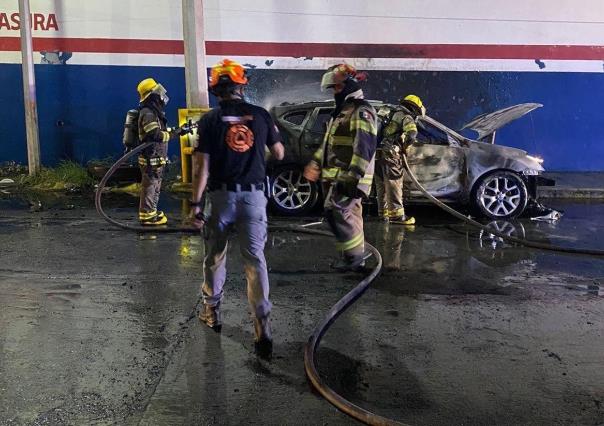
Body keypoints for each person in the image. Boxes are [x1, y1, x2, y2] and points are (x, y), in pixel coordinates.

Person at [189, 59, 285, 355]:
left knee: (214, 257)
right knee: (254, 261)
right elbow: (279, 153)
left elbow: (201, 167)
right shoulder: (261, 115)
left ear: (216, 90)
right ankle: (262, 326)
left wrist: (194, 205)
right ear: (242, 86)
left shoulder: (208, 121)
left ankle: (211, 313)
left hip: (220, 199)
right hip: (254, 199)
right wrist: (256, 159)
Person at [303, 64, 378, 272]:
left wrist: (353, 176)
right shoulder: (343, 112)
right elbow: (328, 143)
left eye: (337, 87)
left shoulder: (361, 110)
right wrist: (315, 163)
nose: (334, 92)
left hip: (351, 177)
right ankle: (354, 258)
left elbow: (364, 146)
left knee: (336, 211)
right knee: (349, 216)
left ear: (349, 85)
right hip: (337, 176)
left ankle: (354, 259)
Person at [136, 78, 182, 226]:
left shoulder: (153, 112)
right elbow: (155, 134)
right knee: (150, 186)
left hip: (155, 158)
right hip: (151, 158)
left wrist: (176, 130)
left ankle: (151, 212)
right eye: (157, 92)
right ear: (151, 95)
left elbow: (160, 130)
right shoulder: (148, 113)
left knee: (154, 185)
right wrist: (172, 135)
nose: (161, 95)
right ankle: (147, 215)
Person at [373, 94, 425, 225]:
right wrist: (404, 147)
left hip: (377, 152)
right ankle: (397, 216)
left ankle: (383, 214)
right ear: (414, 108)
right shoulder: (406, 116)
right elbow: (412, 135)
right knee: (393, 183)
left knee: (381, 185)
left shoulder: (389, 113)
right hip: (390, 154)